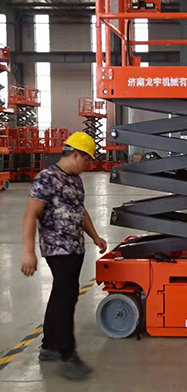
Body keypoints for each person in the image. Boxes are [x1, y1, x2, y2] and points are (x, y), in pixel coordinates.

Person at [21, 132, 107, 381]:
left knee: (61, 295)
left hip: (76, 248)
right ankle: (67, 355)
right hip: (58, 250)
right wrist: (29, 252)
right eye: (87, 159)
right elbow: (30, 215)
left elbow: (80, 211)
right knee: (66, 298)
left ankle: (49, 346)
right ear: (76, 154)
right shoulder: (47, 178)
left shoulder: (75, 179)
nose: (88, 164)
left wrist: (95, 236)